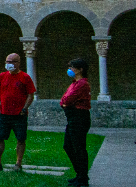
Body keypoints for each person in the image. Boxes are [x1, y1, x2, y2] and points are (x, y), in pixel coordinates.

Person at [0, 52, 37, 171]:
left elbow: (31, 95)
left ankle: (18, 164)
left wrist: (24, 108)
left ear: (18, 63)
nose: (8, 64)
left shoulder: (25, 77)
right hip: (4, 113)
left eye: (11, 62)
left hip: (19, 114)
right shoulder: (2, 76)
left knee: (20, 138)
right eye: (7, 62)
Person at [60, 57, 92, 187]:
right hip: (73, 117)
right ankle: (79, 174)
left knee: (78, 148)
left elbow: (67, 100)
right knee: (68, 145)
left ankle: (83, 178)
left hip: (79, 117)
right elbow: (64, 99)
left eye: (72, 67)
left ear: (80, 69)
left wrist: (65, 103)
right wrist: (64, 103)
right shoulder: (74, 83)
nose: (70, 69)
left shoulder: (82, 84)